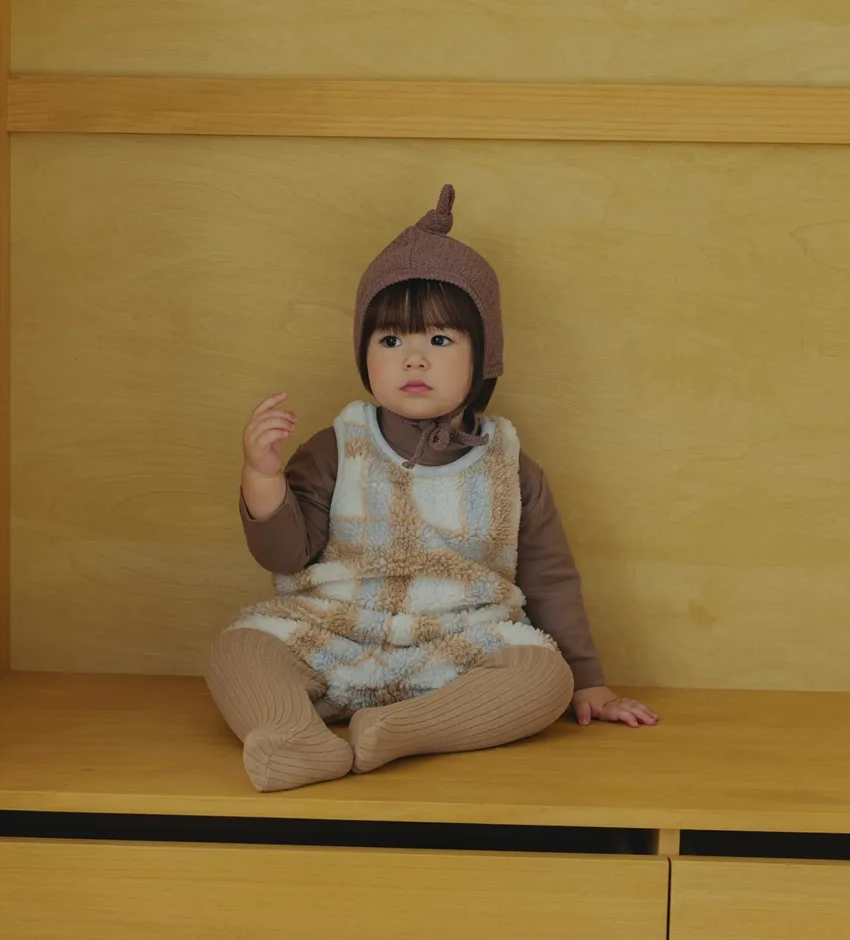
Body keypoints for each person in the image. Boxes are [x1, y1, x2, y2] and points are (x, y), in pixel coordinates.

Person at [207, 184, 657, 793]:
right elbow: (285, 555)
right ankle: (289, 735)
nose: (413, 359)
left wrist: (588, 680)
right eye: (391, 341)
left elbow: (549, 579)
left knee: (543, 677)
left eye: (439, 341)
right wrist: (262, 476)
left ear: (484, 357)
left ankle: (395, 730)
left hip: (456, 649)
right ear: (365, 353)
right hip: (332, 632)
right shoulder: (338, 445)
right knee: (240, 649)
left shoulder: (509, 466)